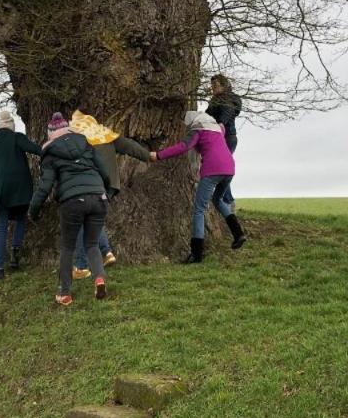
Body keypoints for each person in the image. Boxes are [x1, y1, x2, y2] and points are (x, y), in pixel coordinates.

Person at [28, 111, 113, 305]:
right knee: (92, 244)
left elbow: (45, 186)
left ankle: (65, 293)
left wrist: (33, 210)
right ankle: (99, 278)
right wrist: (106, 191)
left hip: (72, 201)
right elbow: (103, 170)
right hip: (98, 197)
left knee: (68, 247)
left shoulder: (50, 153)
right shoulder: (86, 143)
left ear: (50, 134)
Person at [151, 110, 247, 264]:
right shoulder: (217, 128)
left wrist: (159, 155)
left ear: (193, 123)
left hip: (212, 170)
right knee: (217, 199)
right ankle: (238, 234)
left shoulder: (198, 130)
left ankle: (196, 254)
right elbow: (222, 128)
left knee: (199, 209)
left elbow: (183, 146)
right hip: (229, 168)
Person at [68, 111, 151, 280]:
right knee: (92, 218)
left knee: (81, 220)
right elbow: (129, 146)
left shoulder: (79, 139)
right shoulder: (105, 133)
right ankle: (106, 253)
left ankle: (82, 265)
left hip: (90, 184)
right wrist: (148, 156)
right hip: (109, 184)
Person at [0, 109, 42, 280]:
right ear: (12, 126)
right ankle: (15, 256)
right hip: (21, 189)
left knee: (1, 229)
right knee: (21, 219)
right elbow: (35, 149)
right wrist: (49, 151)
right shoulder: (17, 138)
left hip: (2, 191)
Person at [206, 74, 242, 210]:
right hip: (219, 137)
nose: (213, 89)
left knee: (220, 169)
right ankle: (226, 200)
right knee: (220, 168)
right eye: (212, 86)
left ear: (224, 85)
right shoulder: (216, 99)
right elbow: (207, 115)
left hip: (227, 138)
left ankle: (227, 201)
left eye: (215, 86)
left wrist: (220, 123)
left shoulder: (228, 99)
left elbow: (225, 115)